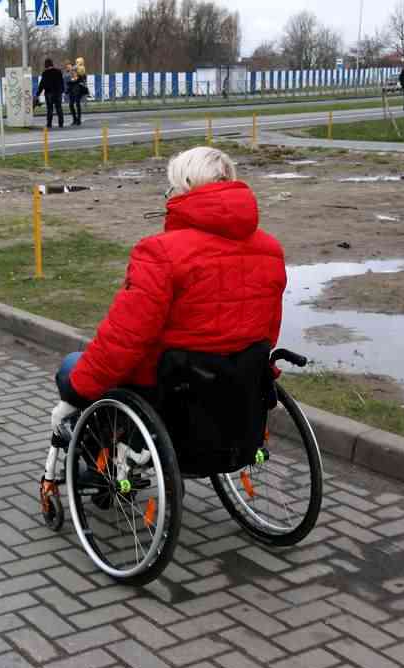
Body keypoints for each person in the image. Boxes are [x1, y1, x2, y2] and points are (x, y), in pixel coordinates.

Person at [43, 147, 287, 471]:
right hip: (236, 378)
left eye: (170, 187)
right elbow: (267, 329)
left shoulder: (161, 252)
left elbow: (125, 338)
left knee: (73, 368)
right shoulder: (269, 248)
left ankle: (99, 460)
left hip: (168, 383)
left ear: (183, 187)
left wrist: (74, 395)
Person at [36, 58, 66, 129]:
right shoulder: (58, 72)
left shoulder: (45, 73)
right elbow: (62, 82)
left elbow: (42, 84)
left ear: (46, 65)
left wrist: (38, 94)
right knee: (59, 108)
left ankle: (49, 124)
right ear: (52, 64)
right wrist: (62, 91)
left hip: (49, 93)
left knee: (50, 109)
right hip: (58, 92)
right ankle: (61, 123)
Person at [67, 60, 86, 126]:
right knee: (71, 104)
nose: (68, 68)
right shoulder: (70, 73)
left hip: (78, 90)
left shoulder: (80, 72)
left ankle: (78, 120)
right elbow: (69, 81)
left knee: (77, 104)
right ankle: (75, 119)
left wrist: (74, 79)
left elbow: (81, 80)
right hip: (72, 91)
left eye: (69, 67)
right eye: (67, 67)